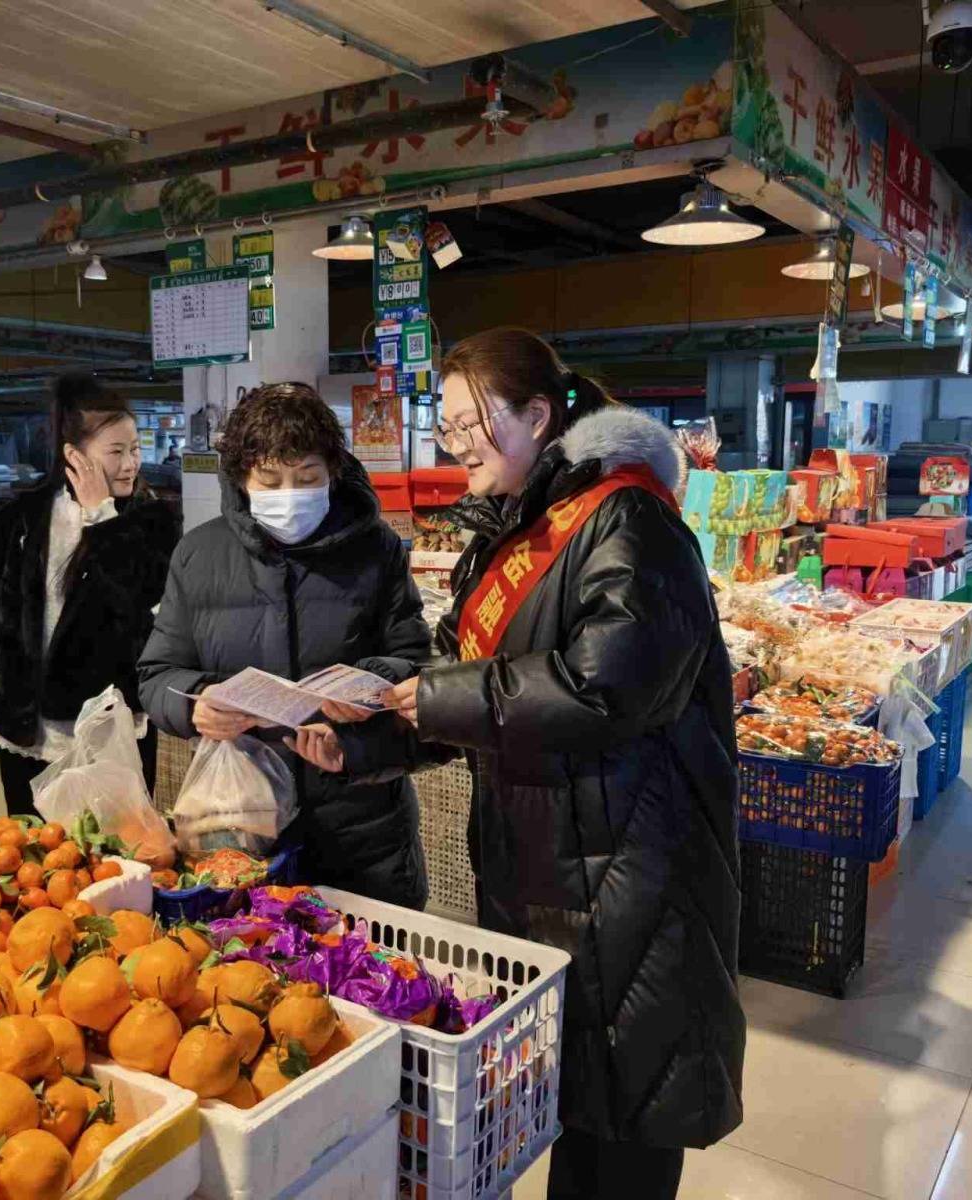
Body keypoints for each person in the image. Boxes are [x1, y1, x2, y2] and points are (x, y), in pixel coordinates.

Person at [290, 328, 743, 1198]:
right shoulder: (512, 531)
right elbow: (469, 686)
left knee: (627, 1124)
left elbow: (608, 687)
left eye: (471, 424)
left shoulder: (630, 520)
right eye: (448, 426)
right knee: (575, 1106)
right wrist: (361, 739)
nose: (455, 445)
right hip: (549, 869)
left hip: (631, 874)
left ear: (537, 417)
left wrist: (440, 696)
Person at [138, 382, 430, 908]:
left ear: (333, 471)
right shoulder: (198, 555)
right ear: (241, 478)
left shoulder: (377, 549)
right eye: (270, 480)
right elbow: (157, 674)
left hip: (362, 829)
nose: (290, 494)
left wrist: (367, 703)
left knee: (368, 956)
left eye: (308, 478)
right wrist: (196, 704)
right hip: (242, 827)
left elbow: (415, 663)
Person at [0, 374, 181, 814]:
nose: (131, 464)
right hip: (25, 726)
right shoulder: (21, 517)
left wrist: (102, 517)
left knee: (115, 847)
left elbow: (134, 605)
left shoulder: (152, 522)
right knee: (31, 845)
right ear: (74, 455)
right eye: (116, 452)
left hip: (111, 730)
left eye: (135, 449)